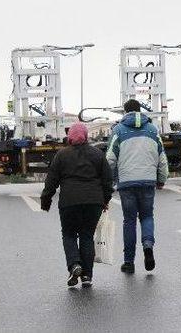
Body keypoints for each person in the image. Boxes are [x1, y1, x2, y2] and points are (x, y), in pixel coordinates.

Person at [41, 123, 114, 288]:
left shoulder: (62, 155)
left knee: (69, 235)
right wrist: (105, 200)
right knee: (87, 236)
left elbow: (51, 180)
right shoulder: (97, 154)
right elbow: (107, 180)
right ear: (86, 136)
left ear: (70, 137)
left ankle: (74, 265)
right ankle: (87, 275)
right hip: (93, 202)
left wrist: (46, 200)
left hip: (69, 202)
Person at [107, 99, 168, 274]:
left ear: (125, 112)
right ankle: (148, 246)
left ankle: (129, 262)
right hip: (148, 181)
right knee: (147, 216)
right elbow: (161, 157)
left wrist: (109, 182)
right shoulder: (152, 130)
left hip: (126, 183)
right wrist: (161, 178)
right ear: (140, 111)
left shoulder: (118, 130)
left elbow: (110, 159)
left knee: (129, 221)